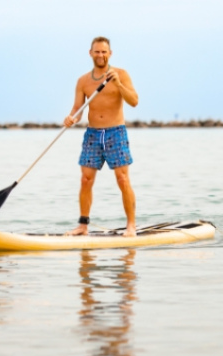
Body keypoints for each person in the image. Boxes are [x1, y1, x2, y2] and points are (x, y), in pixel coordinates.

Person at [63, 37, 139, 237]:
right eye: (97, 52)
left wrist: (119, 84)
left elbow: (134, 101)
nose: (100, 55)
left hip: (116, 132)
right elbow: (78, 110)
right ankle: (82, 225)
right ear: (90, 53)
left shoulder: (121, 74)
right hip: (93, 133)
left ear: (110, 54)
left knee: (123, 179)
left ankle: (131, 225)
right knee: (86, 180)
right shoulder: (83, 81)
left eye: (104, 52)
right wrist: (71, 118)